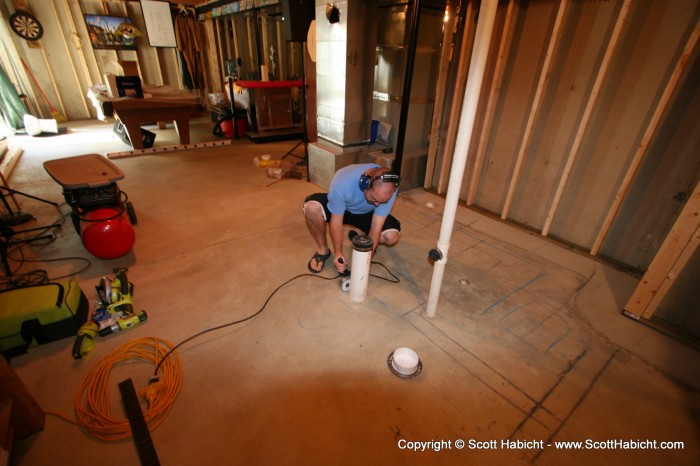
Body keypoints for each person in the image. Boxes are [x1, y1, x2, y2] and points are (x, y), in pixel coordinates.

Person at [303, 163, 401, 274]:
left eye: (382, 201)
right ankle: (323, 251)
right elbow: (336, 223)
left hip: (366, 213)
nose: (378, 204)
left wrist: (367, 259)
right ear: (365, 185)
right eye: (374, 199)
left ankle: (363, 238)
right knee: (312, 209)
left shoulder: (390, 188)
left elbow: (376, 226)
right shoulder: (343, 183)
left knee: (391, 237)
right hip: (342, 209)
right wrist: (338, 253)